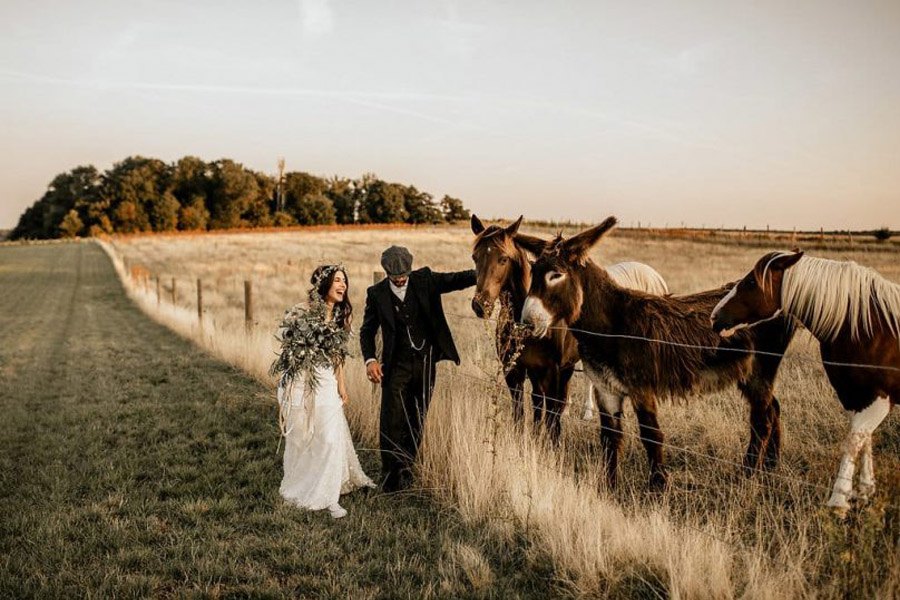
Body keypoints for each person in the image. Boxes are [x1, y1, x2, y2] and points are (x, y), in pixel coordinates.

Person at [359, 246, 476, 492]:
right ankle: (390, 478)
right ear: (386, 272)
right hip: (395, 366)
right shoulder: (376, 293)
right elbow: (367, 331)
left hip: (424, 363)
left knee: (417, 418)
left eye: (404, 274)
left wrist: (484, 273)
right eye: (395, 276)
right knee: (391, 420)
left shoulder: (425, 279)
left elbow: (455, 280)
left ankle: (407, 468)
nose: (401, 279)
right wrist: (370, 359)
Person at [277, 265, 374, 519]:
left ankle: (330, 496)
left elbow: (338, 356)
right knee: (305, 435)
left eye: (345, 281)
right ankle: (304, 483)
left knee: (330, 437)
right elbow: (288, 347)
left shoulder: (343, 315)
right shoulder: (303, 311)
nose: (343, 286)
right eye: (338, 280)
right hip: (303, 379)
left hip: (327, 381)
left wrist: (341, 384)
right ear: (324, 284)